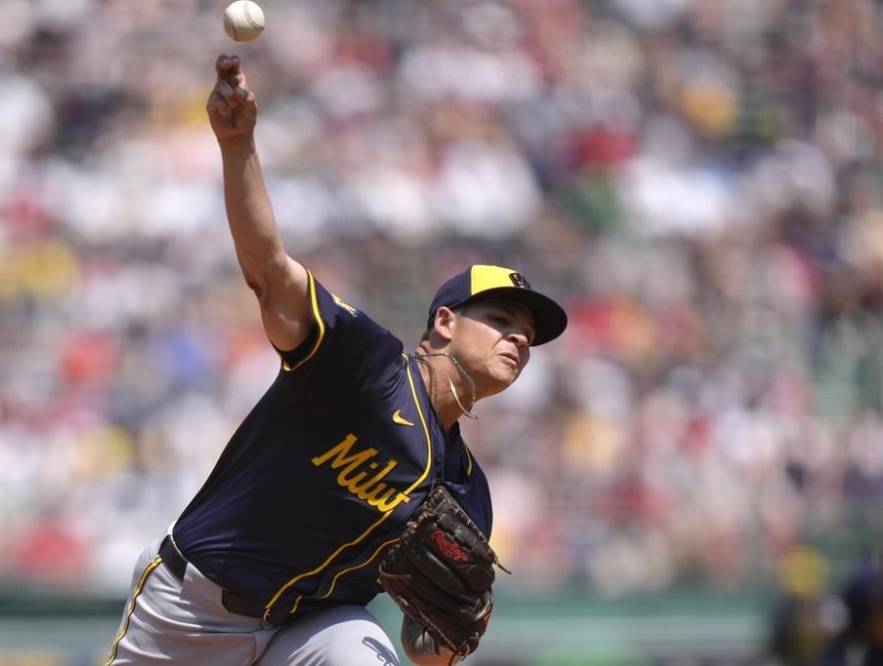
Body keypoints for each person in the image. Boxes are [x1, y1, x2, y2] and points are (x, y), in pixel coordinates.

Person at [106, 54, 568, 666]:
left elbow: (424, 645)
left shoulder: (465, 491)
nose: (518, 341)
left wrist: (446, 643)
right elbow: (270, 273)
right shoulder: (365, 367)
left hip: (311, 631)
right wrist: (238, 143)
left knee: (360, 650)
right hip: (194, 611)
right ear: (445, 321)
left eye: (528, 336)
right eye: (503, 320)